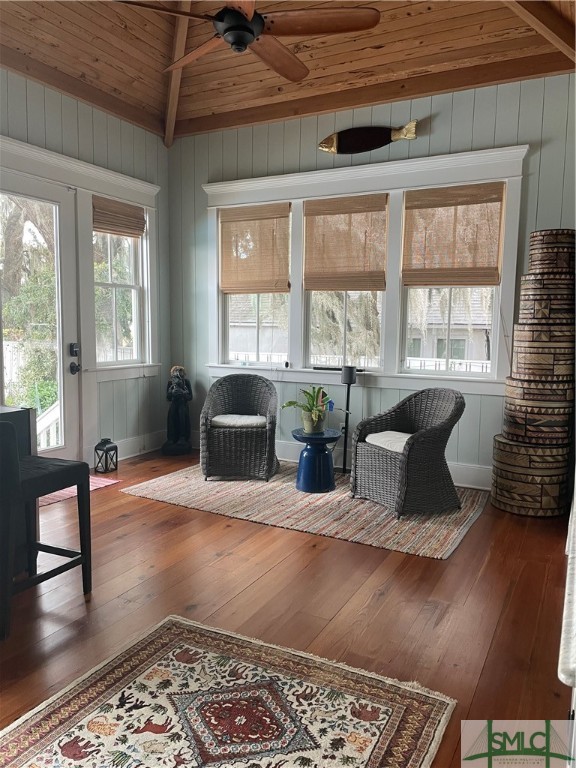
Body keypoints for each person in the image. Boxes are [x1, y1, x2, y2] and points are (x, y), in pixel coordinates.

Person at [162, 365, 192, 455]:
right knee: (171, 418)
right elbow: (168, 398)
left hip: (182, 404)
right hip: (174, 404)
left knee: (182, 417)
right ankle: (171, 438)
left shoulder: (186, 383)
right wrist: (171, 392)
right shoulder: (170, 383)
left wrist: (183, 393)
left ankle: (182, 437)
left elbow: (190, 397)